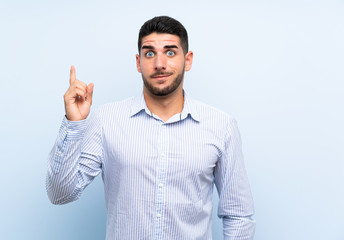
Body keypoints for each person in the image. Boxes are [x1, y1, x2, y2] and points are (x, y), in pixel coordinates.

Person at [46, 16, 255, 239]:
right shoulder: (107, 120)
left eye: (171, 52)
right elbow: (60, 194)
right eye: (149, 53)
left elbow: (239, 215)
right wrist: (74, 123)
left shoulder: (221, 126)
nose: (159, 64)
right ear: (138, 62)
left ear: (188, 60)